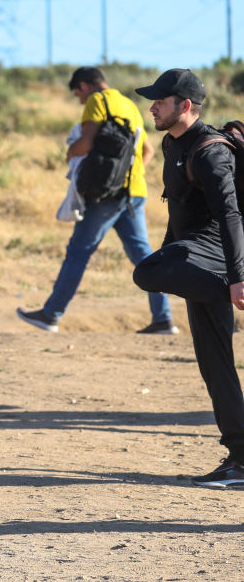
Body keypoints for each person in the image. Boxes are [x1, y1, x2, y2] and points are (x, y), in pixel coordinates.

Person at [132, 69, 244, 488]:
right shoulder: (171, 142)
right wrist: (169, 255)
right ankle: (240, 459)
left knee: (146, 271)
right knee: (214, 361)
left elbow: (230, 215)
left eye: (160, 100)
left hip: (217, 254)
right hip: (195, 258)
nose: (152, 106)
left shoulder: (209, 151)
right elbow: (177, 208)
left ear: (185, 106)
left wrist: (236, 278)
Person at [17, 66, 176, 334]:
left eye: (78, 95)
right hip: (133, 191)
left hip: (107, 195)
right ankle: (163, 319)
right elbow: (147, 150)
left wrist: (69, 155)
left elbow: (87, 142)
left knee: (78, 252)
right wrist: (128, 175)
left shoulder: (97, 101)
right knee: (143, 255)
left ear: (84, 86)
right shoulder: (129, 104)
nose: (80, 100)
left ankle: (51, 314)